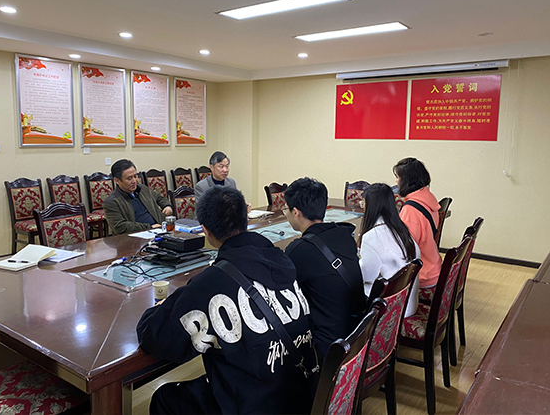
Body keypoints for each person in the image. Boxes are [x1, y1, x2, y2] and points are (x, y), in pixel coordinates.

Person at [137, 186, 315, 415]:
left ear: (205, 230)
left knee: (165, 397)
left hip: (254, 402)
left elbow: (156, 336)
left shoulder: (212, 281)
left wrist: (162, 307)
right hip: (300, 393)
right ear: (246, 219)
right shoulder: (281, 259)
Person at [283, 177, 365, 360]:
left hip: (328, 346)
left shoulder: (299, 250)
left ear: (295, 212)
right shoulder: (345, 235)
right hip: (356, 333)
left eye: (286, 209)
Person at [359, 183, 421, 317]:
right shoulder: (402, 230)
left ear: (370, 206)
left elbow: (365, 276)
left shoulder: (372, 237)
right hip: (409, 304)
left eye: (363, 204)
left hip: (390, 312)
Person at [393, 157, 442, 289]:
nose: (396, 181)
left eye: (398, 177)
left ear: (406, 180)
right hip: (433, 265)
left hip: (422, 274)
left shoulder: (411, 210)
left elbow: (404, 250)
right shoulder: (428, 198)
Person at [103, 159, 173, 234]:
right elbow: (120, 227)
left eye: (135, 176)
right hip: (137, 236)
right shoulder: (112, 202)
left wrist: (167, 206)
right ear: (117, 180)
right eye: (129, 178)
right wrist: (149, 227)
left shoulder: (143, 189)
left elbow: (159, 197)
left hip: (160, 230)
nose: (134, 181)